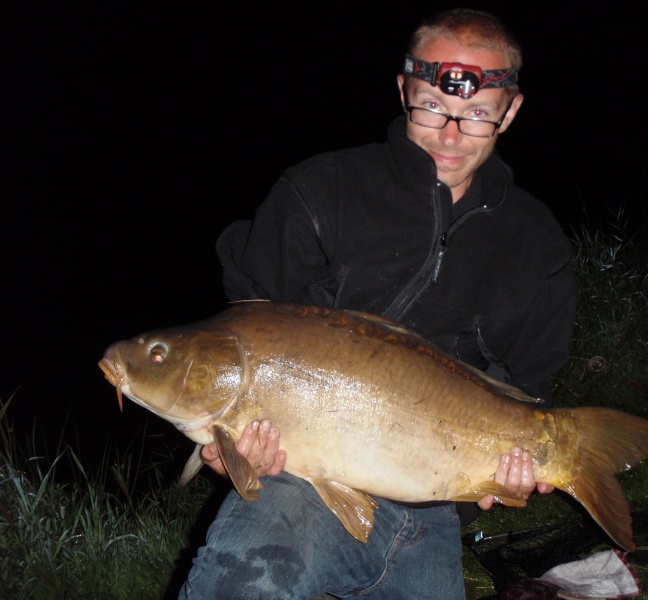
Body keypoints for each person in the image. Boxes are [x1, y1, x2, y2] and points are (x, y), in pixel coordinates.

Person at [180, 8, 577, 600]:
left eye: (476, 117)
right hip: (301, 488)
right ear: (402, 91)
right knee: (240, 584)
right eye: (432, 107)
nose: (449, 135)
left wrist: (508, 473)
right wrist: (231, 452)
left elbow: (528, 387)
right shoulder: (321, 192)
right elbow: (244, 333)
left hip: (436, 505)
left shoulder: (537, 245)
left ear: (511, 111)